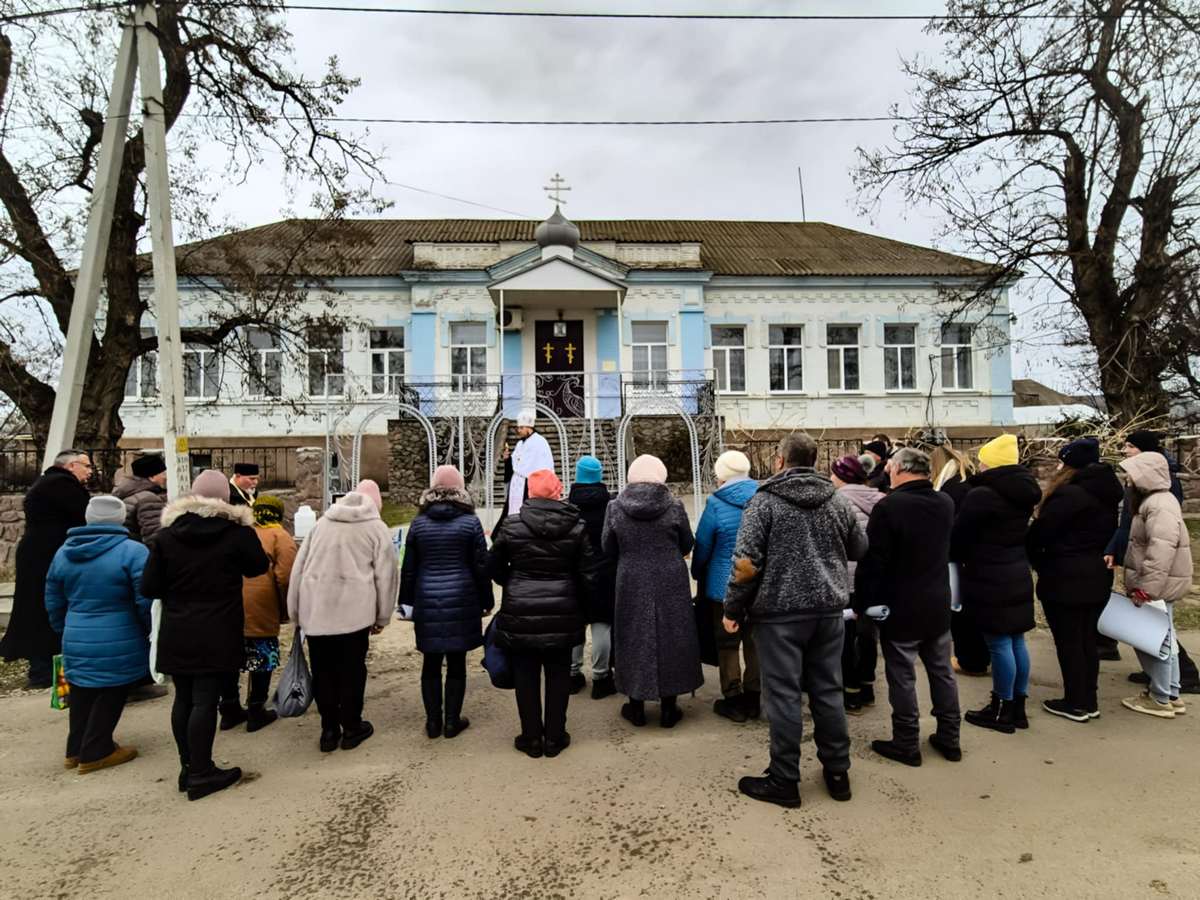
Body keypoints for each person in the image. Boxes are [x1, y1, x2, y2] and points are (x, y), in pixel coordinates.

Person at [724, 432, 867, 807]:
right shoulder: (836, 500)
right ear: (815, 460)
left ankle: (784, 779)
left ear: (779, 460)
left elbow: (745, 565)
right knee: (828, 691)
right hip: (828, 612)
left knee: (785, 697)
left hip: (779, 616)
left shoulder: (764, 503)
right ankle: (838, 773)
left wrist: (732, 609)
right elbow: (859, 548)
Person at [142, 470, 269, 801]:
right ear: (226, 498)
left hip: (177, 626)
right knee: (205, 700)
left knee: (183, 698)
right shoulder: (234, 533)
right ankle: (202, 771)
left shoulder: (166, 536)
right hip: (217, 626)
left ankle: (187, 767)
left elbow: (150, 586)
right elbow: (257, 567)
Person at [855, 448, 961, 766]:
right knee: (942, 672)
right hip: (937, 602)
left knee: (902, 676)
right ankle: (950, 737)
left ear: (899, 468)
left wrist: (864, 603)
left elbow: (873, 562)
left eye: (889, 467)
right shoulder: (944, 502)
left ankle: (906, 742)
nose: (887, 471)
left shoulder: (890, 507)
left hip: (901, 606)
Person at [489, 468, 597, 758]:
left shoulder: (512, 526)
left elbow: (494, 567)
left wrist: (514, 583)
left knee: (525, 675)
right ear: (558, 491)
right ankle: (555, 736)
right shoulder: (576, 527)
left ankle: (531, 736)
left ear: (530, 493)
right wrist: (584, 609)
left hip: (521, 609)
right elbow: (588, 574)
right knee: (559, 674)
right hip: (563, 608)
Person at [288, 479, 397, 752]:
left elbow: (298, 570)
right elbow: (386, 576)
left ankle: (328, 730)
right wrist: (382, 617)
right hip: (355, 614)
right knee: (352, 670)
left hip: (316, 613)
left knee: (323, 672)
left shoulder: (321, 525)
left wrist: (296, 612)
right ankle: (351, 727)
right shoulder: (376, 528)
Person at [45, 495, 151, 774]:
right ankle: (96, 750)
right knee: (113, 690)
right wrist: (148, 630)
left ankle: (75, 748)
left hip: (75, 632)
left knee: (81, 690)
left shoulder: (64, 551)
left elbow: (53, 597)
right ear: (119, 519)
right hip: (121, 632)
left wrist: (63, 627)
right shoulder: (133, 551)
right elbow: (144, 599)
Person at [604, 455, 703, 729]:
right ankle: (669, 708)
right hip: (669, 577)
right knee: (671, 634)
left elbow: (607, 547)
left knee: (633, 635)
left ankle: (636, 707)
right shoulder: (674, 506)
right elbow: (687, 543)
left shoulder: (615, 508)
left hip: (631, 577)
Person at [1026, 438, 1122, 722]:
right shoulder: (1106, 493)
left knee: (1069, 641)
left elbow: (1042, 534)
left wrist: (1039, 560)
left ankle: (1076, 701)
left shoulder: (1069, 496)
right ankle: (1087, 698)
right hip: (1096, 575)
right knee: (1086, 640)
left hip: (1065, 576)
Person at [952, 434, 1041, 734]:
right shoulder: (1023, 493)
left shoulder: (982, 495)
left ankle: (1001, 707)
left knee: (999, 642)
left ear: (992, 462)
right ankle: (1018, 706)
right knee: (1016, 640)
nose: (979, 463)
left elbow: (960, 536)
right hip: (1016, 570)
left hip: (988, 575)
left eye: (982, 459)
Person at [400, 465, 490, 739]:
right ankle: (452, 721)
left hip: (427, 598)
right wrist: (486, 600)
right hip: (462, 597)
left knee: (430, 662)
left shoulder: (419, 523)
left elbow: (409, 569)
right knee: (457, 661)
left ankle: (432, 722)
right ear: (460, 489)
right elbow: (480, 566)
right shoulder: (470, 522)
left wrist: (406, 603)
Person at [1107, 432, 1199, 690]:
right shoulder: (1143, 491)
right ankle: (1170, 688)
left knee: (1160, 634)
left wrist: (1147, 589)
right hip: (1145, 565)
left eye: (1130, 446)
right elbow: (1129, 523)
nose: (1124, 451)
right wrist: (1117, 547)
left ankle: (1167, 691)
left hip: (1156, 577)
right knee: (1157, 632)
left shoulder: (1160, 500)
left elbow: (1161, 545)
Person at [0, 449, 91, 689]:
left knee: (35, 609)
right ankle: (45, 672)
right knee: (44, 610)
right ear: (71, 466)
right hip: (47, 556)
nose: (90, 471)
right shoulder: (62, 485)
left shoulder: (49, 483)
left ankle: (43, 670)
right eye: (86, 466)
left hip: (38, 554)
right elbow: (85, 515)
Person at [692, 450, 761, 722]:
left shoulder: (715, 504)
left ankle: (733, 699)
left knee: (727, 643)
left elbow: (704, 545)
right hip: (758, 583)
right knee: (755, 643)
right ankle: (754, 697)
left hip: (723, 586)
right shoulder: (764, 497)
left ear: (721, 474)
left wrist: (698, 573)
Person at [828, 454, 884, 714]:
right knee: (869, 633)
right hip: (873, 579)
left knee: (846, 635)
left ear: (842, 477)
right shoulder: (881, 499)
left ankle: (850, 692)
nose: (830, 478)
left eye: (833, 474)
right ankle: (868, 684)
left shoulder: (837, 502)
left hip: (846, 578)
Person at [239, 494, 297, 733]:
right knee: (262, 656)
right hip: (261, 603)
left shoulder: (241, 533)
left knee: (232, 656)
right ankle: (256, 709)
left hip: (231, 603)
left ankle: (229, 707)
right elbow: (286, 577)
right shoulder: (280, 536)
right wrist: (286, 609)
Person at [931, 441, 988, 677]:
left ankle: (970, 659)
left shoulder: (950, 490)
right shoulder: (967, 484)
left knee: (960, 610)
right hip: (974, 559)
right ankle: (975, 656)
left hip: (956, 559)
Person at [566, 455, 617, 700]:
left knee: (576, 624)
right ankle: (601, 677)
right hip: (605, 571)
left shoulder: (568, 507)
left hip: (575, 571)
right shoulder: (611, 505)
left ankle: (573, 674)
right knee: (602, 624)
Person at [502, 409, 555, 521]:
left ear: (529, 428)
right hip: (517, 485)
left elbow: (544, 465)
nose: (519, 431)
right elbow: (515, 465)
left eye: (521, 428)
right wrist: (507, 459)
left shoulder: (540, 442)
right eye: (518, 428)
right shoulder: (520, 444)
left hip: (531, 486)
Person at [113, 453, 167, 543]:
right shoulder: (148, 499)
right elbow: (153, 535)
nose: (165, 477)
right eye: (163, 473)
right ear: (152, 477)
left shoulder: (129, 493)